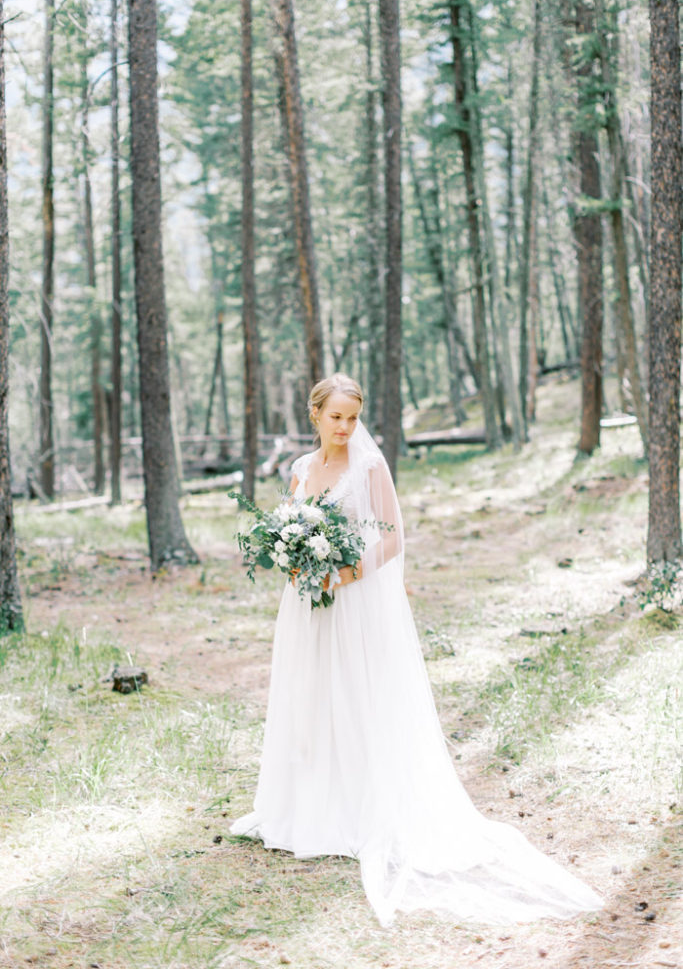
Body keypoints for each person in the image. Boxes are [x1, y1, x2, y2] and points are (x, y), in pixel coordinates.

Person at [230, 373, 602, 927]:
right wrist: (293, 556)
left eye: (353, 417)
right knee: (310, 696)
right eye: (335, 417)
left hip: (351, 601)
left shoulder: (369, 467)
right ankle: (306, 805)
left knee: (356, 697)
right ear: (315, 417)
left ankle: (358, 808)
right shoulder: (301, 471)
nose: (345, 427)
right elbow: (290, 525)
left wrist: (346, 574)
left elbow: (393, 536)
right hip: (307, 603)